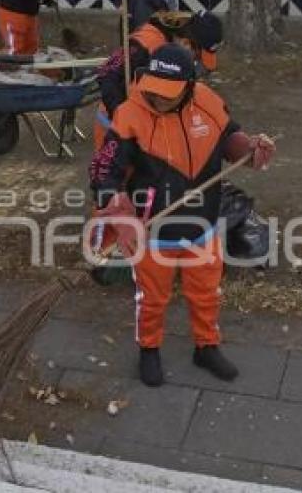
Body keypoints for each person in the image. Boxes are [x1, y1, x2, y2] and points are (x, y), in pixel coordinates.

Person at [88, 44, 275, 387]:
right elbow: (103, 168)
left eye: (168, 94)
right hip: (154, 231)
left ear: (189, 86)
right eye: (153, 90)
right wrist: (117, 207)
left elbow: (231, 138)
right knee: (152, 298)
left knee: (206, 293)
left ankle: (206, 346)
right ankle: (149, 349)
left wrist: (250, 151)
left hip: (202, 225)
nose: (158, 99)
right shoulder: (131, 113)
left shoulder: (207, 101)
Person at [88, 10, 224, 257]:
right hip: (115, 123)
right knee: (112, 181)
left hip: (150, 125)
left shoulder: (175, 56)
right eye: (197, 53)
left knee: (143, 182)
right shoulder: (147, 41)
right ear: (186, 41)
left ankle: (136, 242)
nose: (197, 61)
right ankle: (101, 248)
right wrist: (126, 114)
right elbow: (107, 72)